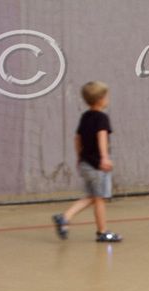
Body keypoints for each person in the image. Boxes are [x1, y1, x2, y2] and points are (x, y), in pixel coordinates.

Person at [51, 81, 123, 243]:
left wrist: (79, 157)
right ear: (101, 99)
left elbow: (77, 138)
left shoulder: (85, 117)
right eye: (106, 96)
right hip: (97, 165)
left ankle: (67, 218)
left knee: (93, 196)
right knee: (99, 198)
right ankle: (101, 231)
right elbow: (102, 136)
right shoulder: (102, 118)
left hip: (85, 163)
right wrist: (104, 157)